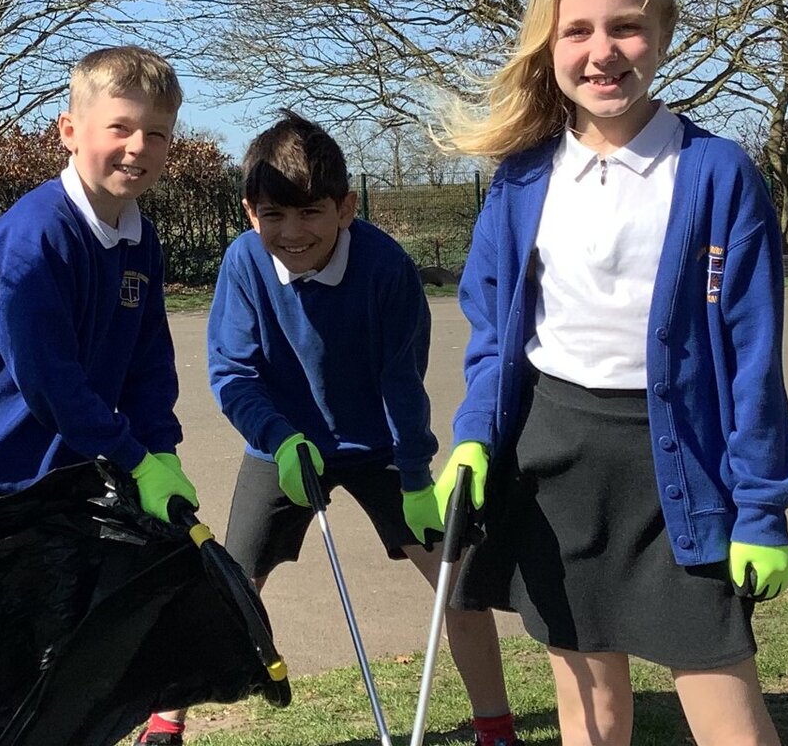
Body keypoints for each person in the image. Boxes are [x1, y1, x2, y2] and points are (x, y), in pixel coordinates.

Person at [433, 0, 788, 745]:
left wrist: (763, 508)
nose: (604, 51)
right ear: (550, 43)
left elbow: (752, 356)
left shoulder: (717, 174)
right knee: (589, 713)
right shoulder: (521, 175)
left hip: (681, 467)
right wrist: (472, 439)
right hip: (555, 460)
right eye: (578, 30)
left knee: (728, 714)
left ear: (663, 32)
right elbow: (495, 336)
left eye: (626, 26)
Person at [133, 111, 521, 746]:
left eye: (310, 213)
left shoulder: (386, 267)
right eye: (272, 215)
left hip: (381, 447)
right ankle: (166, 721)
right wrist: (280, 439)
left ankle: (495, 726)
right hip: (281, 444)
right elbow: (234, 375)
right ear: (248, 211)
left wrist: (419, 476)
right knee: (228, 585)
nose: (290, 232)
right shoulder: (243, 264)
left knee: (458, 580)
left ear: (345, 209)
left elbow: (403, 381)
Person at [0, 45, 198, 540]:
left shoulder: (141, 239)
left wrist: (160, 448)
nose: (138, 146)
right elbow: (47, 377)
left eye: (156, 134)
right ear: (69, 131)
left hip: (63, 477)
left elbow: (147, 360)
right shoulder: (35, 237)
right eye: (120, 128)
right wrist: (134, 458)